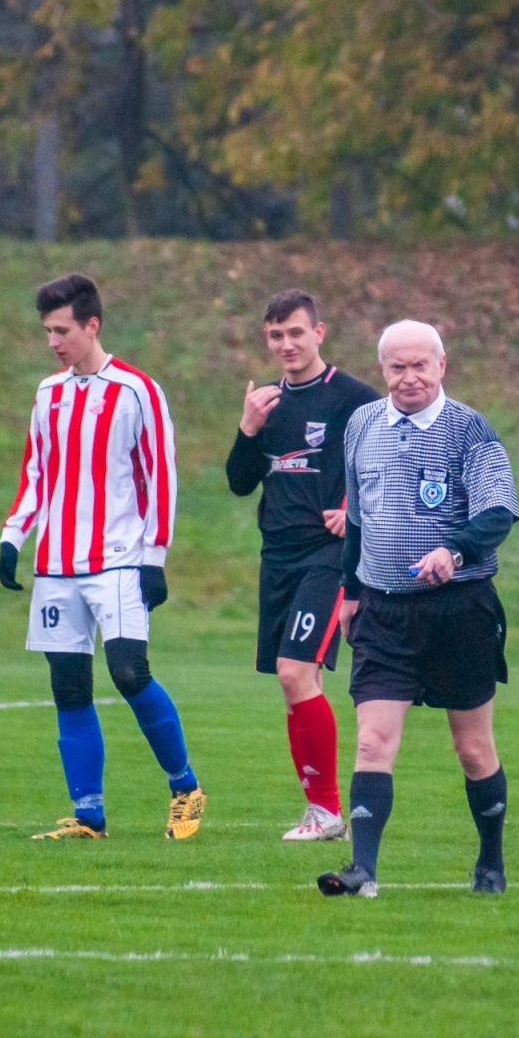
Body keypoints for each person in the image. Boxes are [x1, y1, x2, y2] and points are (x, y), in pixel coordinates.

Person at [0, 273, 207, 840]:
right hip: (57, 565)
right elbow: (36, 472)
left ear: (92, 325)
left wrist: (154, 556)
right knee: (68, 685)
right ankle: (89, 815)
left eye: (62, 330)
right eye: (46, 331)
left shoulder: (137, 390)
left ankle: (185, 787)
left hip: (118, 558)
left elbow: (161, 477)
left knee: (129, 673)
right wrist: (13, 537)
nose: (53, 341)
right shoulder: (49, 393)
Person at [317, 320, 519, 899]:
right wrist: (351, 592)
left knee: (473, 748)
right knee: (372, 742)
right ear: (383, 371)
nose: (409, 378)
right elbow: (357, 516)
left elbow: (498, 512)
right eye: (397, 368)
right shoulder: (361, 425)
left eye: (420, 366)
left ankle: (490, 859)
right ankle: (363, 871)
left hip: (461, 611)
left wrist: (453, 549)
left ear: (442, 365)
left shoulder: (470, 431)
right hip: (383, 611)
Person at [226, 290, 381, 841]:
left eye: (295, 332)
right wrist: (247, 429)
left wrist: (354, 509)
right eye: (275, 335)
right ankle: (321, 812)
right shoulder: (266, 404)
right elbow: (240, 483)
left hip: (328, 557)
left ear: (319, 332)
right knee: (295, 680)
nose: (286, 344)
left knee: (296, 672)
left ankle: (327, 811)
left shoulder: (356, 400)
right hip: (278, 556)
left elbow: (389, 468)